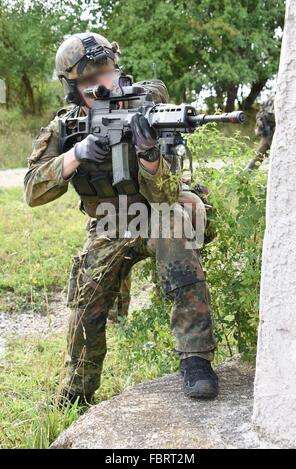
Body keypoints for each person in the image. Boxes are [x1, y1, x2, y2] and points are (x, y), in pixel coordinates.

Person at [24, 32, 218, 405]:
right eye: (88, 80)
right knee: (87, 297)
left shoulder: (150, 109)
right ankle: (77, 391)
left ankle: (196, 361)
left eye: (107, 72)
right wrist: (76, 154)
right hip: (110, 222)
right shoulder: (64, 127)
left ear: (117, 68)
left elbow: (165, 195)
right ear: (71, 87)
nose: (101, 84)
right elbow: (32, 190)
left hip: (156, 213)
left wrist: (149, 155)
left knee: (176, 230)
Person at [247, 97, 275, 170]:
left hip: (278, 134)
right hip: (268, 134)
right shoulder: (271, 100)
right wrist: (260, 120)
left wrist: (266, 116)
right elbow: (260, 113)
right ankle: (245, 176)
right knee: (257, 157)